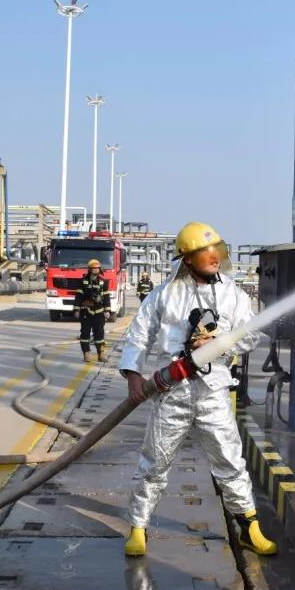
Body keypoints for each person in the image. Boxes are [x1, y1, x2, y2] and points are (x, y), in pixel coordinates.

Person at [118, 222, 277, 558]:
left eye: (216, 249)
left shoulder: (234, 295)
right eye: (205, 252)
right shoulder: (165, 295)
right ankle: (138, 528)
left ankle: (249, 528)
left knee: (230, 461)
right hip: (170, 393)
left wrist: (220, 343)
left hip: (213, 392)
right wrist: (133, 376)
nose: (214, 256)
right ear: (187, 259)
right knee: (154, 463)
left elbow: (250, 336)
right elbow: (138, 335)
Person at [74, 259, 111, 363]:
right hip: (86, 312)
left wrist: (107, 310)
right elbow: (78, 296)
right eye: (94, 268)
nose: (96, 270)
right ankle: (86, 354)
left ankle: (101, 354)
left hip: (99, 312)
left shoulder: (102, 281)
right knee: (85, 333)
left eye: (97, 268)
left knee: (99, 333)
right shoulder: (83, 281)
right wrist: (76, 309)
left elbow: (106, 297)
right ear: (90, 269)